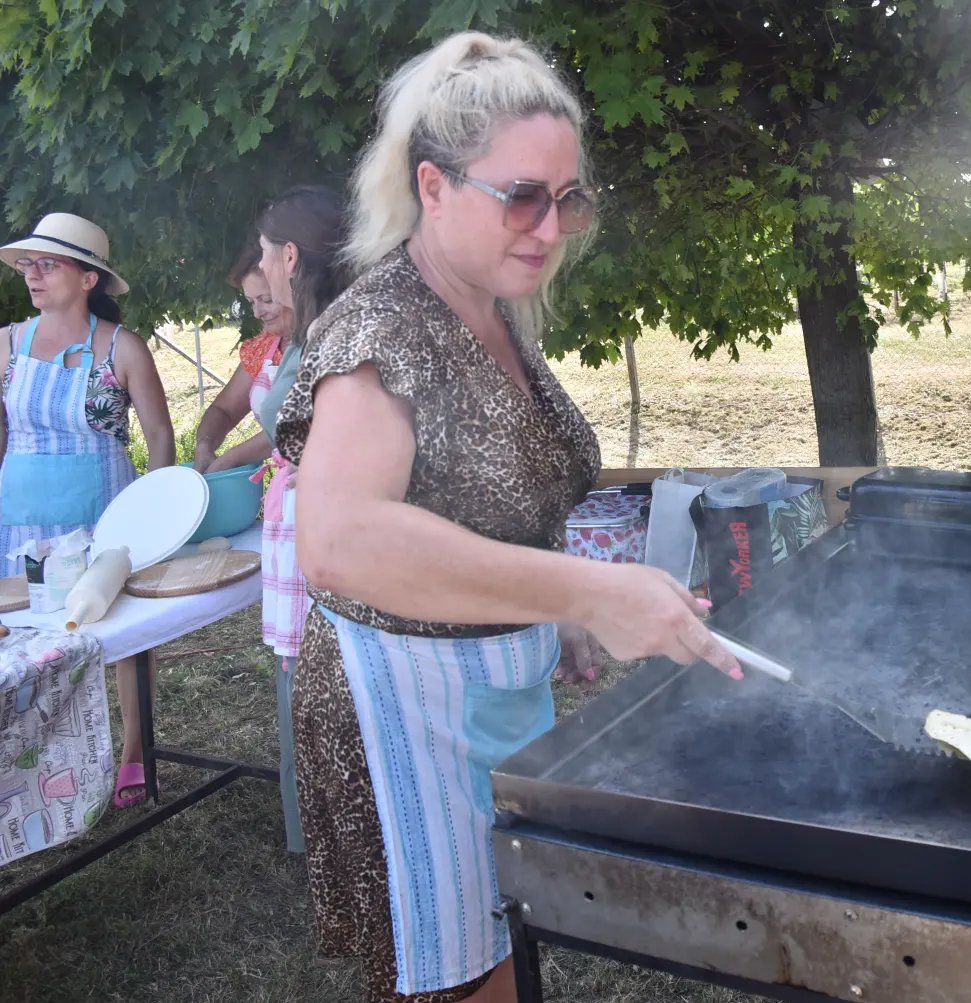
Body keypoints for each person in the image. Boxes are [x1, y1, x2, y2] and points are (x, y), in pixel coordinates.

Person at [275, 32, 742, 1003]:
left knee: (502, 950)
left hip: (487, 683)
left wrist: (555, 612)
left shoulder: (495, 310)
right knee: (464, 980)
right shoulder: (380, 329)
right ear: (434, 187)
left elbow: (491, 496)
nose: (551, 225)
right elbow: (341, 540)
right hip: (399, 702)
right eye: (521, 195)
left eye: (568, 197)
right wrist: (588, 588)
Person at [0, 212, 175, 808]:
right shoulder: (6, 343)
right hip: (19, 519)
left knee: (122, 635)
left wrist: (157, 520)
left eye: (48, 264)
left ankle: (133, 752)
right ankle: (34, 765)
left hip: (103, 515)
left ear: (88, 279)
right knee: (28, 642)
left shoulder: (122, 348)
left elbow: (160, 438)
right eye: (29, 264)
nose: (33, 274)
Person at [198, 188, 349, 854]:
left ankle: (324, 840)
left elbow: (290, 433)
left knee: (313, 691)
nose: (258, 276)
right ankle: (325, 834)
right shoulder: (337, 329)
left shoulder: (318, 342)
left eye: (264, 256)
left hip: (322, 534)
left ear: (289, 257)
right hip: (325, 532)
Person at [191, 243, 292, 476]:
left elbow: (292, 424)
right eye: (251, 302)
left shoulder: (322, 343)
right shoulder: (264, 346)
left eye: (266, 300)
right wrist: (205, 445)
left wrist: (231, 459)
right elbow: (224, 409)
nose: (257, 313)